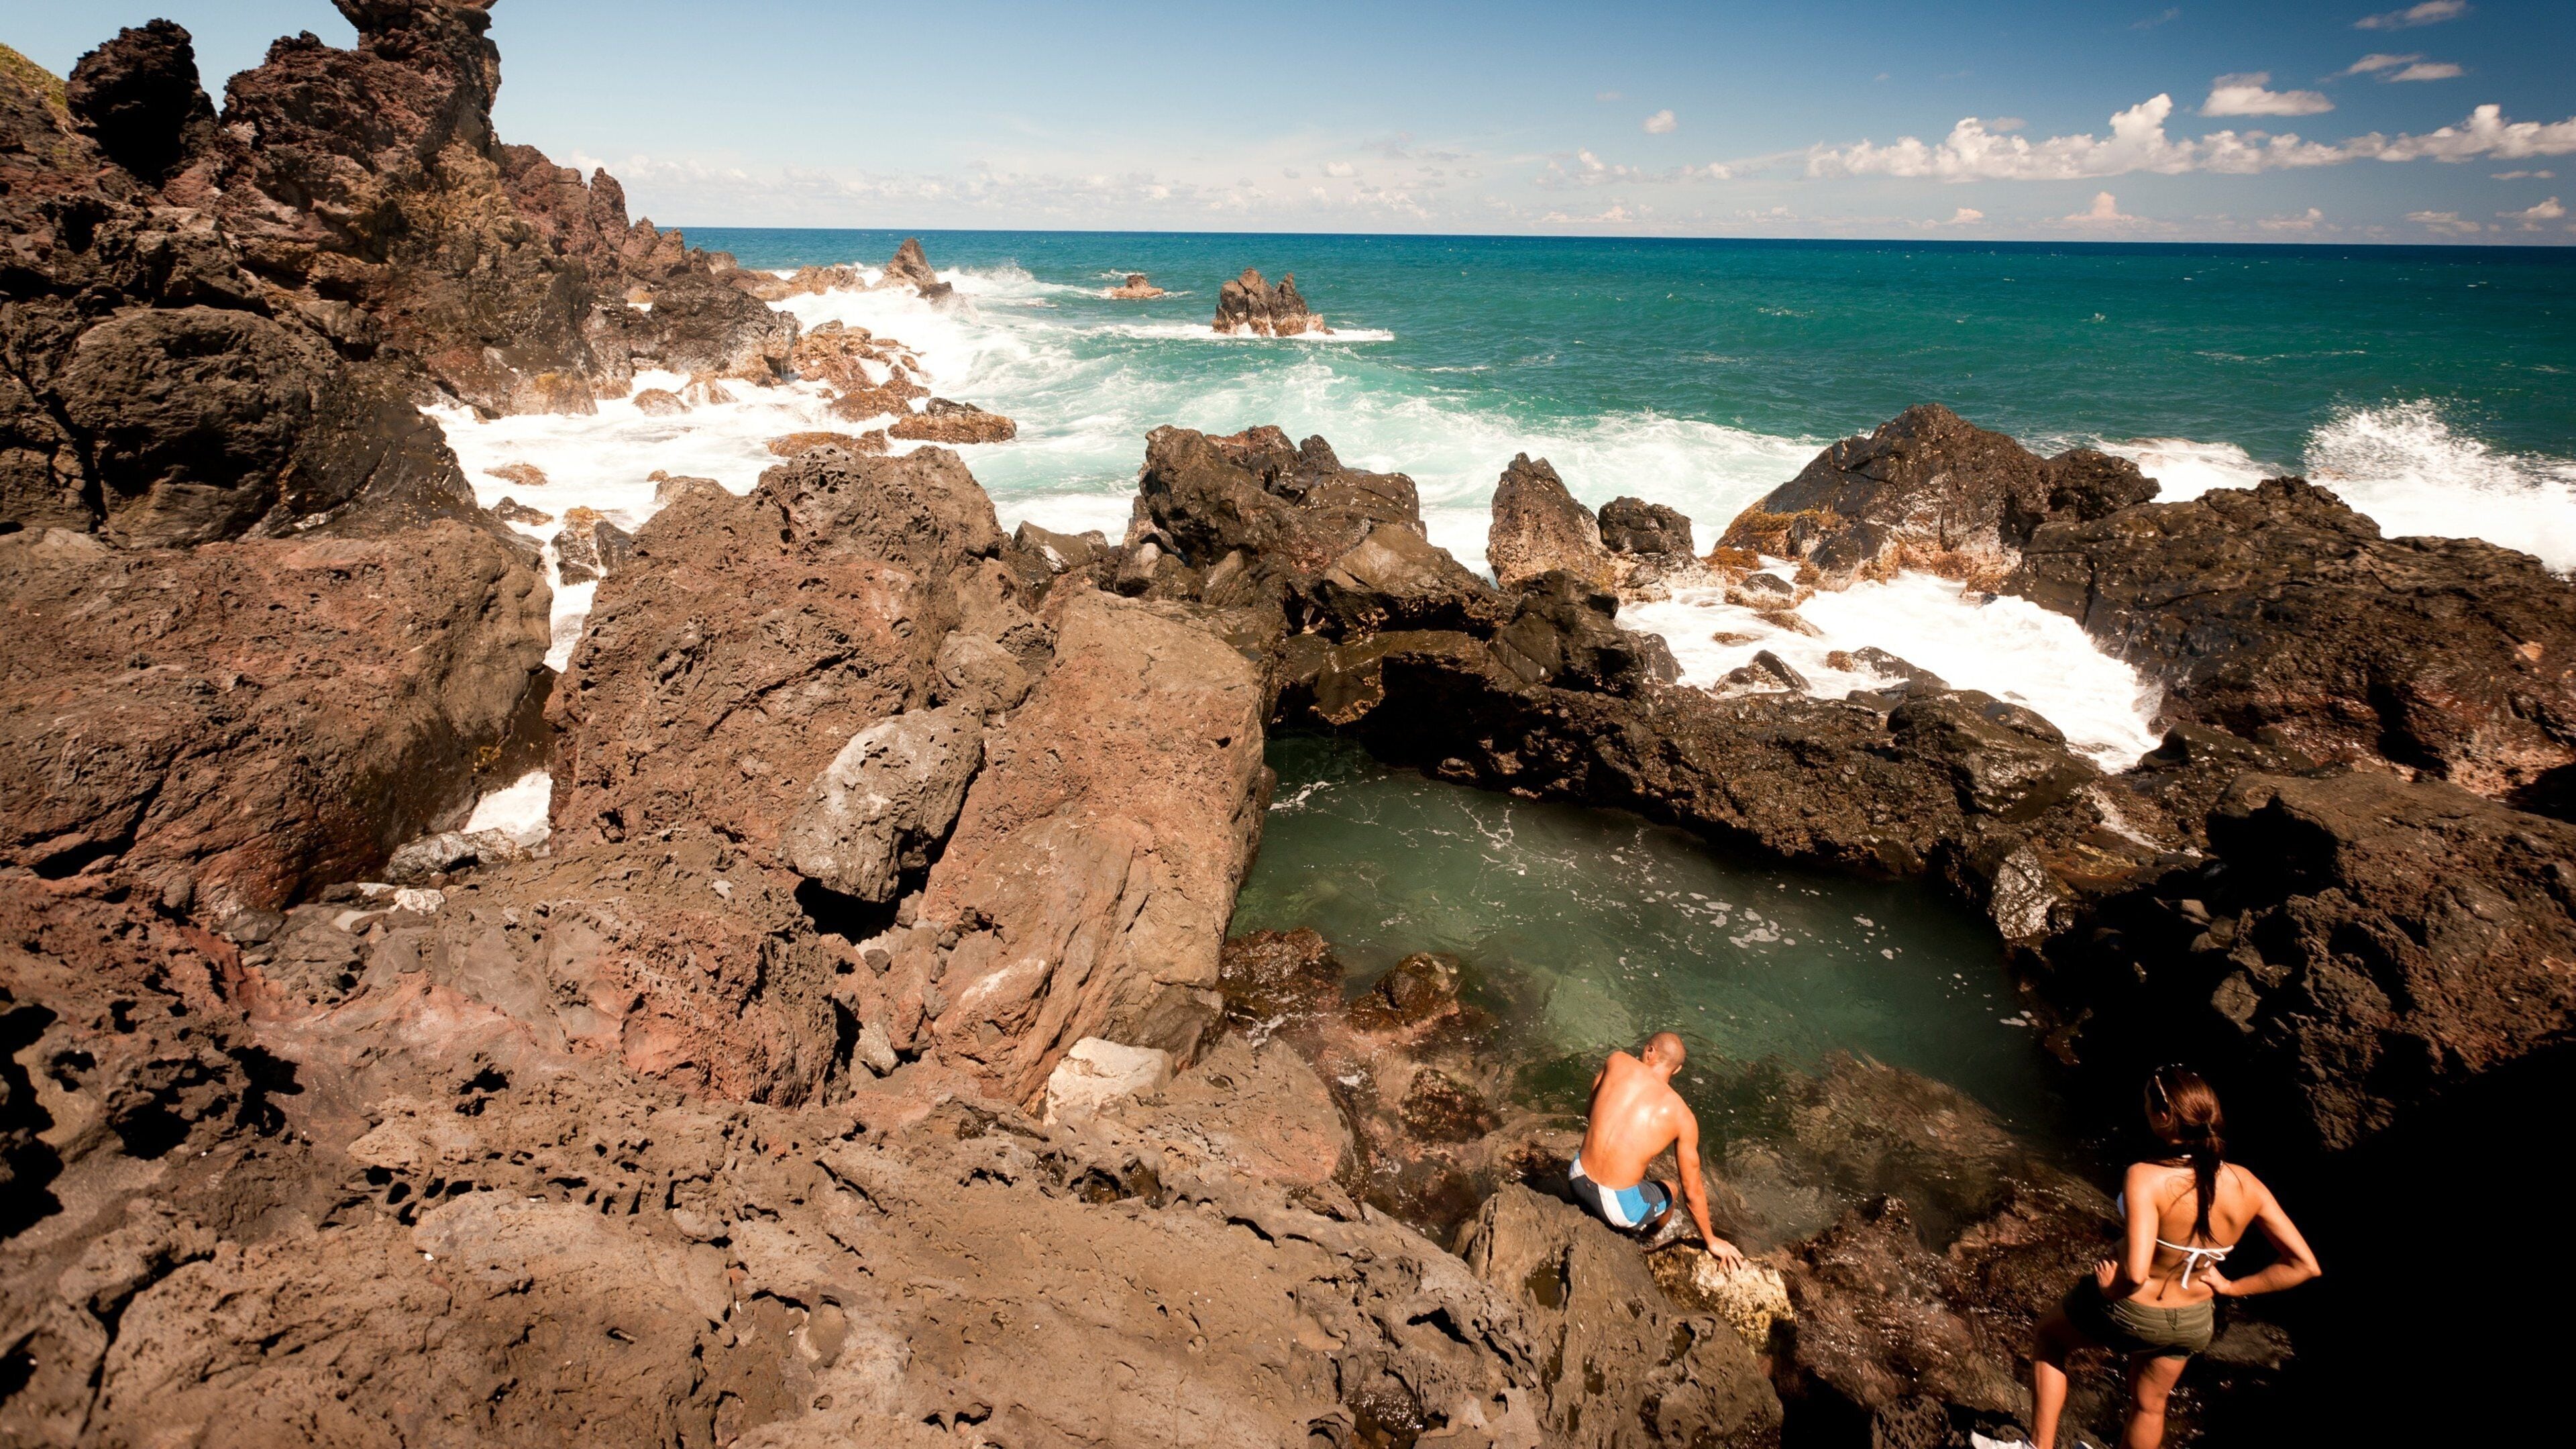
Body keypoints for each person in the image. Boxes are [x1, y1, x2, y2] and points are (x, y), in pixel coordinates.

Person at [2025, 1065, 2321, 1449]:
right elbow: (2305, 1265)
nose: (2144, 1109)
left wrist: (2110, 1291)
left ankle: (2038, 1446)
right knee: (2150, 1405)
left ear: (2163, 1116)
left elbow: (2135, 1272)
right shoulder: (2246, 1181)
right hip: (2194, 1321)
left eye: (2148, 1102)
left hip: (2135, 1307)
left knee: (2050, 1338)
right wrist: (2231, 1288)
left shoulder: (2145, 1177)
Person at [1569, 1032, 1744, 1269]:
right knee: (1670, 1189)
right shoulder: (1683, 1116)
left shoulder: (1617, 1060)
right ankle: (1646, 1239)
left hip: (1577, 1176)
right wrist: (1711, 1240)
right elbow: (1692, 1191)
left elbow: (1589, 1112)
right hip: (1616, 1210)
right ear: (1677, 1069)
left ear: (1649, 1051)